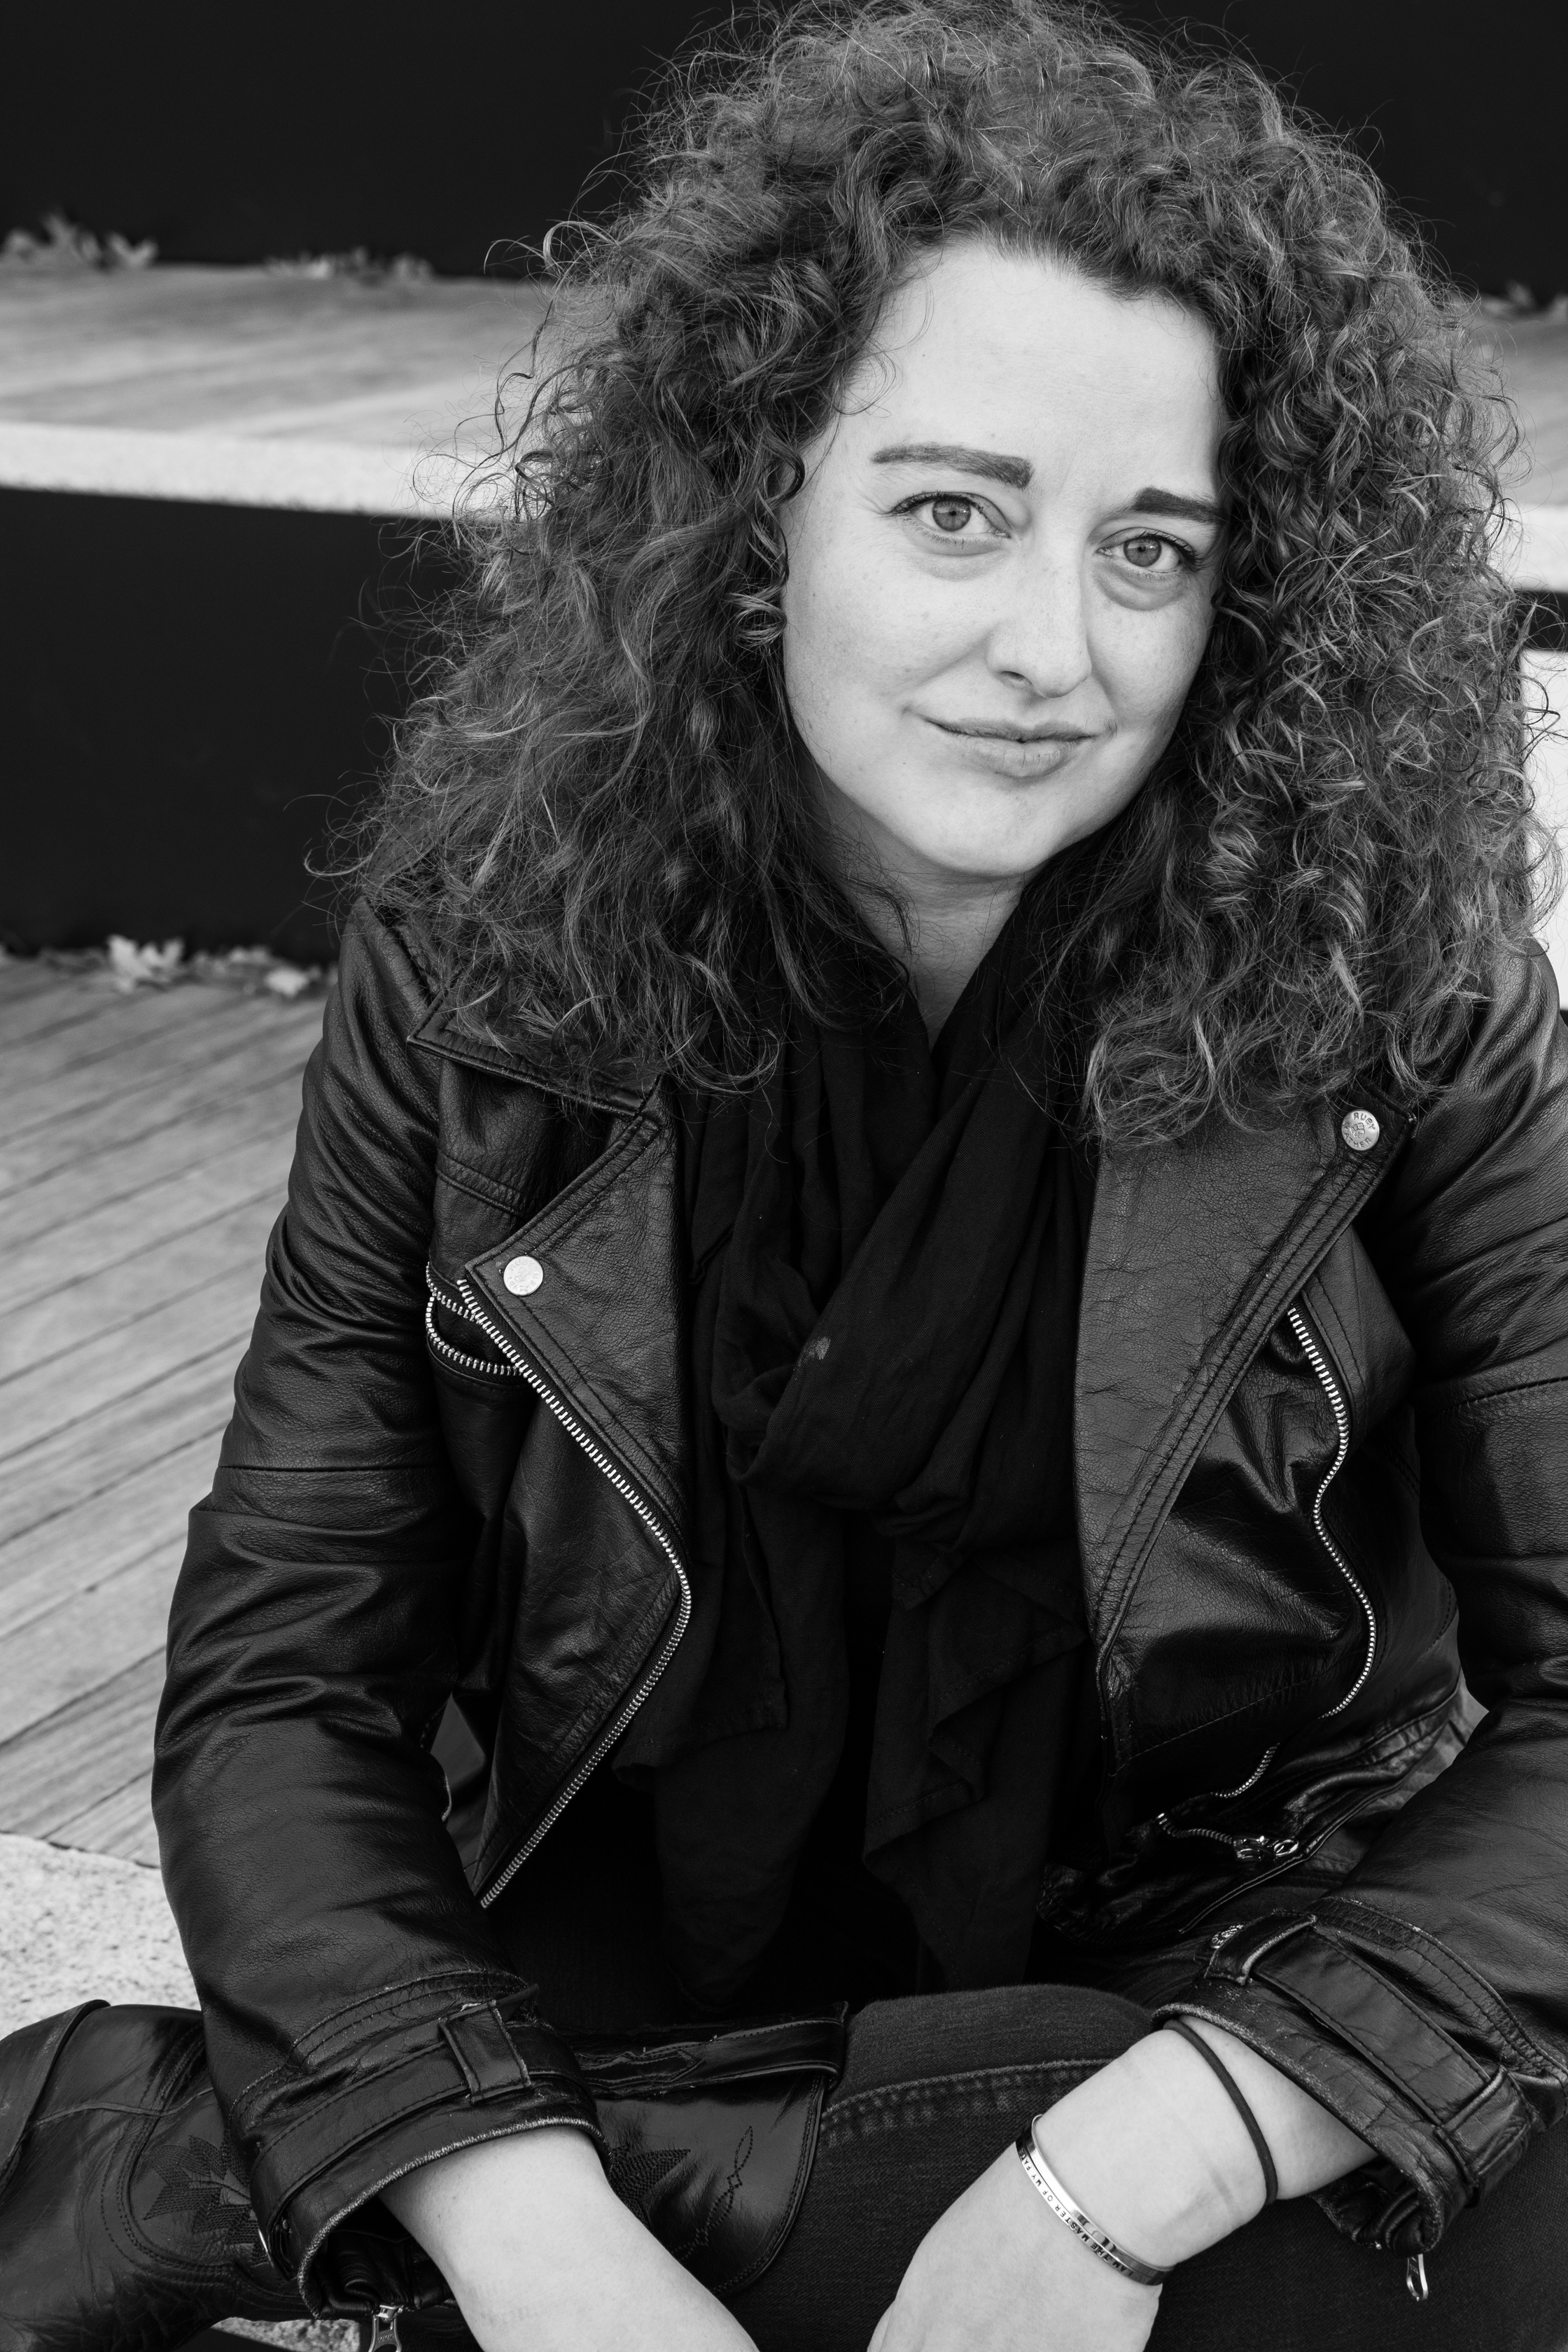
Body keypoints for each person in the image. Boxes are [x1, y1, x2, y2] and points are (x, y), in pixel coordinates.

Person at [148, 4, 1568, 2348]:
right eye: (951, 513)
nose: (1051, 649)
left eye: (1153, 550)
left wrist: (1130, 2171)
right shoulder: (492, 965)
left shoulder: (1393, 988)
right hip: (623, 2013)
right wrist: (538, 2238)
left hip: (1192, 1997)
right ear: (751, 516)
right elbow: (284, 1680)